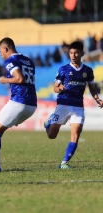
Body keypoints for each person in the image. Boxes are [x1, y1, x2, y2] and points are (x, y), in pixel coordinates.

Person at [0, 37, 37, 173]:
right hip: (32, 104)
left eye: (0, 52)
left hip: (19, 101)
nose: (0, 55)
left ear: (6, 49)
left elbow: (19, 78)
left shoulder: (10, 60)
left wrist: (4, 79)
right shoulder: (28, 60)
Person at [44, 41, 103, 169]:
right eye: (71, 53)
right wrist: (59, 88)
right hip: (63, 103)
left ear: (82, 53)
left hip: (78, 106)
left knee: (75, 133)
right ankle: (48, 122)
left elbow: (91, 87)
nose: (73, 55)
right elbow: (55, 87)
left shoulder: (88, 70)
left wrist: (97, 98)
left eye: (76, 52)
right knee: (51, 135)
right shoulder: (63, 69)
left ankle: (64, 163)